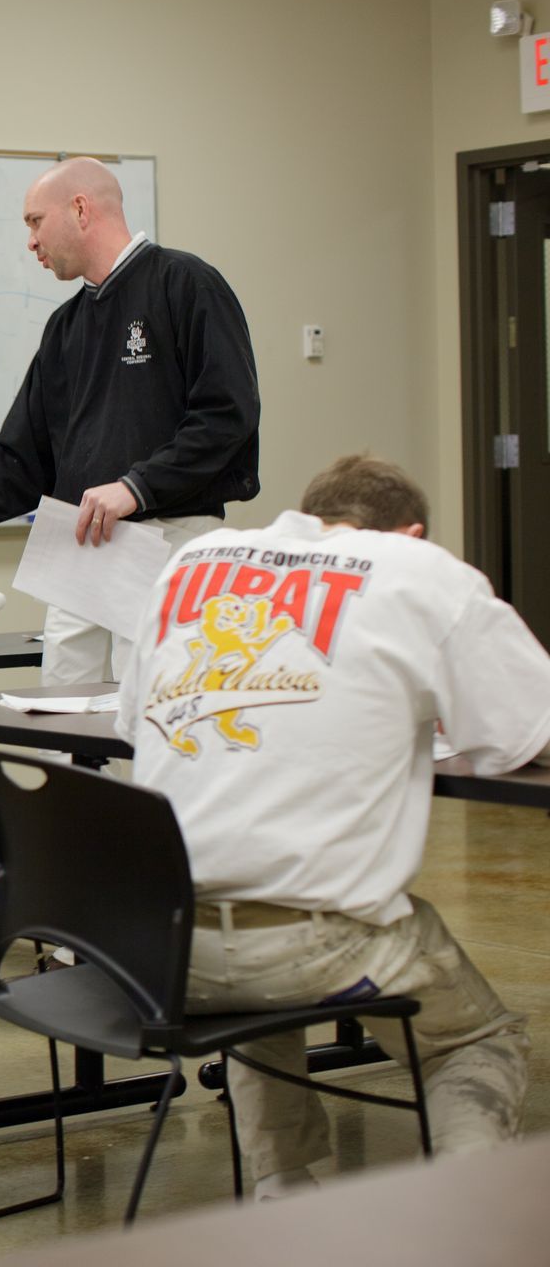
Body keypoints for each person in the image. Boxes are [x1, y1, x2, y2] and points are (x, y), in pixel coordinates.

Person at [117, 453, 547, 1198]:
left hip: (153, 939)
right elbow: (523, 736)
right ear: (412, 533)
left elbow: (132, 721)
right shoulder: (421, 573)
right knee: (478, 1037)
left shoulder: (193, 559)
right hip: (312, 946)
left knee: (257, 967)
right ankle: (467, 1214)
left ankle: (284, 1197)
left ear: (312, 516)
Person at [0, 156, 261, 687]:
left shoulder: (185, 282)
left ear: (80, 209)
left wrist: (137, 487)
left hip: (167, 534)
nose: (30, 241)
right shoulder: (67, 326)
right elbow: (20, 459)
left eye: (35, 221)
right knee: (60, 701)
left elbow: (227, 415)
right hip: (82, 544)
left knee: (143, 706)